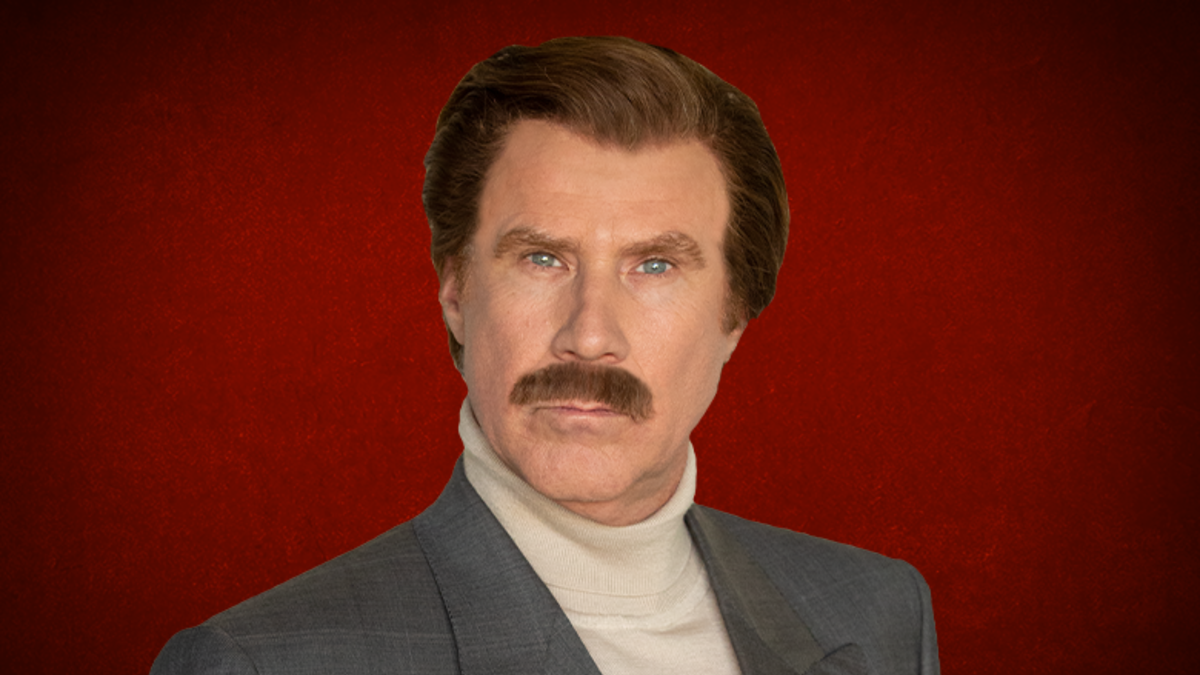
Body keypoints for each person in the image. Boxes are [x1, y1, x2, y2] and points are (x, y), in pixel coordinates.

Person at [151, 36, 939, 675]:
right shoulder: (259, 663)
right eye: (541, 258)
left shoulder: (879, 611)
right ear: (455, 292)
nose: (589, 335)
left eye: (654, 265)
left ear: (734, 314)